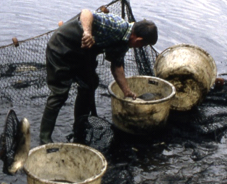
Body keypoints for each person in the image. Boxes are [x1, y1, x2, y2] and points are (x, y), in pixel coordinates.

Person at [39, 8, 158, 144]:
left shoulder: (124, 43)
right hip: (61, 48)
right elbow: (86, 13)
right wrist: (88, 33)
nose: (140, 47)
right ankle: (44, 138)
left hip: (81, 54)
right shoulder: (117, 26)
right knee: (60, 94)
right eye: (143, 44)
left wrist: (126, 91)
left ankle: (80, 124)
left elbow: (117, 66)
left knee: (90, 85)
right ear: (138, 39)